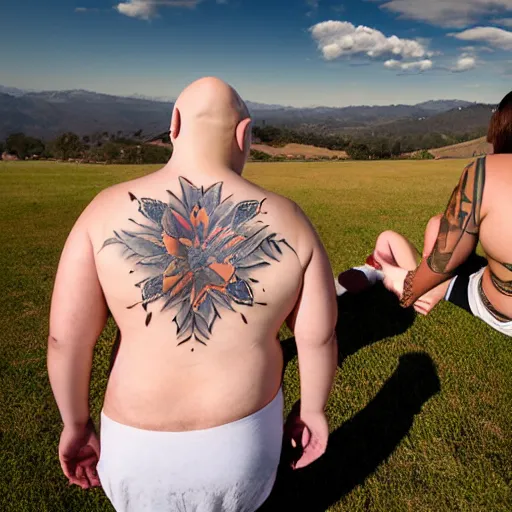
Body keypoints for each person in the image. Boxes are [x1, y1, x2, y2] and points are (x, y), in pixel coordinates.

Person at [47, 77, 338, 512]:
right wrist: (312, 410)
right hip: (244, 444)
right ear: (245, 134)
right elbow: (318, 338)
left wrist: (75, 423)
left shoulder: (102, 211)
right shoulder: (289, 220)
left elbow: (66, 340)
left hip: (134, 448)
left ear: (174, 125)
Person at [336, 90, 512, 335]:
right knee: (433, 225)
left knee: (391, 239)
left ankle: (378, 270)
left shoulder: (486, 170)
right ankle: (382, 268)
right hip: (489, 282)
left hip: (494, 306)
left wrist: (410, 288)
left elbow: (442, 263)